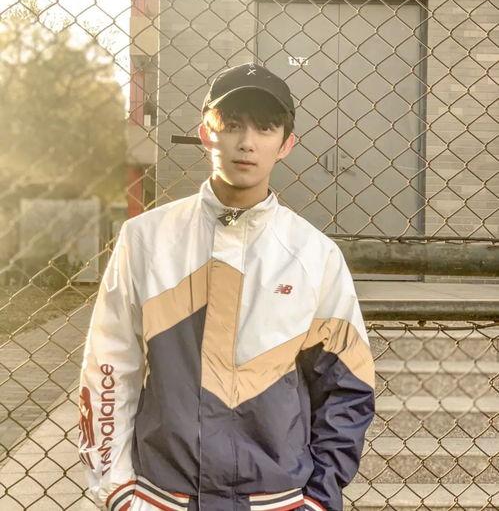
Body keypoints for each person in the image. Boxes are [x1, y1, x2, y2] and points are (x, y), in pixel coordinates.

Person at [78, 62, 375, 511]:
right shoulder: (145, 240)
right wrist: (117, 489)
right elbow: (109, 365)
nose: (247, 142)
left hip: (276, 499)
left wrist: (318, 498)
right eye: (232, 124)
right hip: (164, 497)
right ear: (206, 133)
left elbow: (347, 384)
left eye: (265, 128)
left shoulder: (315, 255)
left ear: (286, 144)